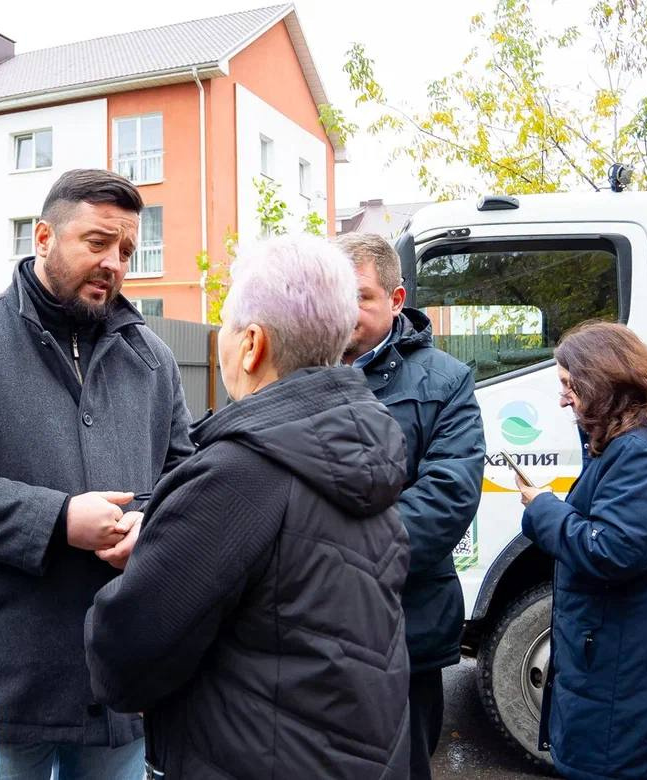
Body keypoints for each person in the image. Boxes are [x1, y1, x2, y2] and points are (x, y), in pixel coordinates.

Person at [85, 235, 412, 778]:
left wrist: (155, 553)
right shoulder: (360, 448)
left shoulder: (240, 475)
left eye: (226, 326)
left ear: (252, 344)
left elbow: (126, 656)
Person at [0, 168, 193, 779]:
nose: (114, 263)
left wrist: (150, 524)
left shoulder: (153, 358)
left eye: (126, 250)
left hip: (120, 681)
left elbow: (185, 477)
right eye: (97, 242)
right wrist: (58, 519)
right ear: (43, 237)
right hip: (2, 684)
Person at [515, 322, 647, 780]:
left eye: (569, 385)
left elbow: (611, 551)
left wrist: (543, 509)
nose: (564, 399)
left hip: (630, 674)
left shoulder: (641, 452)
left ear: (601, 381)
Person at [333, 233, 485, 780]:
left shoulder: (445, 380)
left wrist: (334, 557)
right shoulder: (296, 369)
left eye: (360, 296)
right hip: (311, 632)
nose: (343, 310)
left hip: (404, 625)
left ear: (396, 300)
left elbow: (448, 496)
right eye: (333, 293)